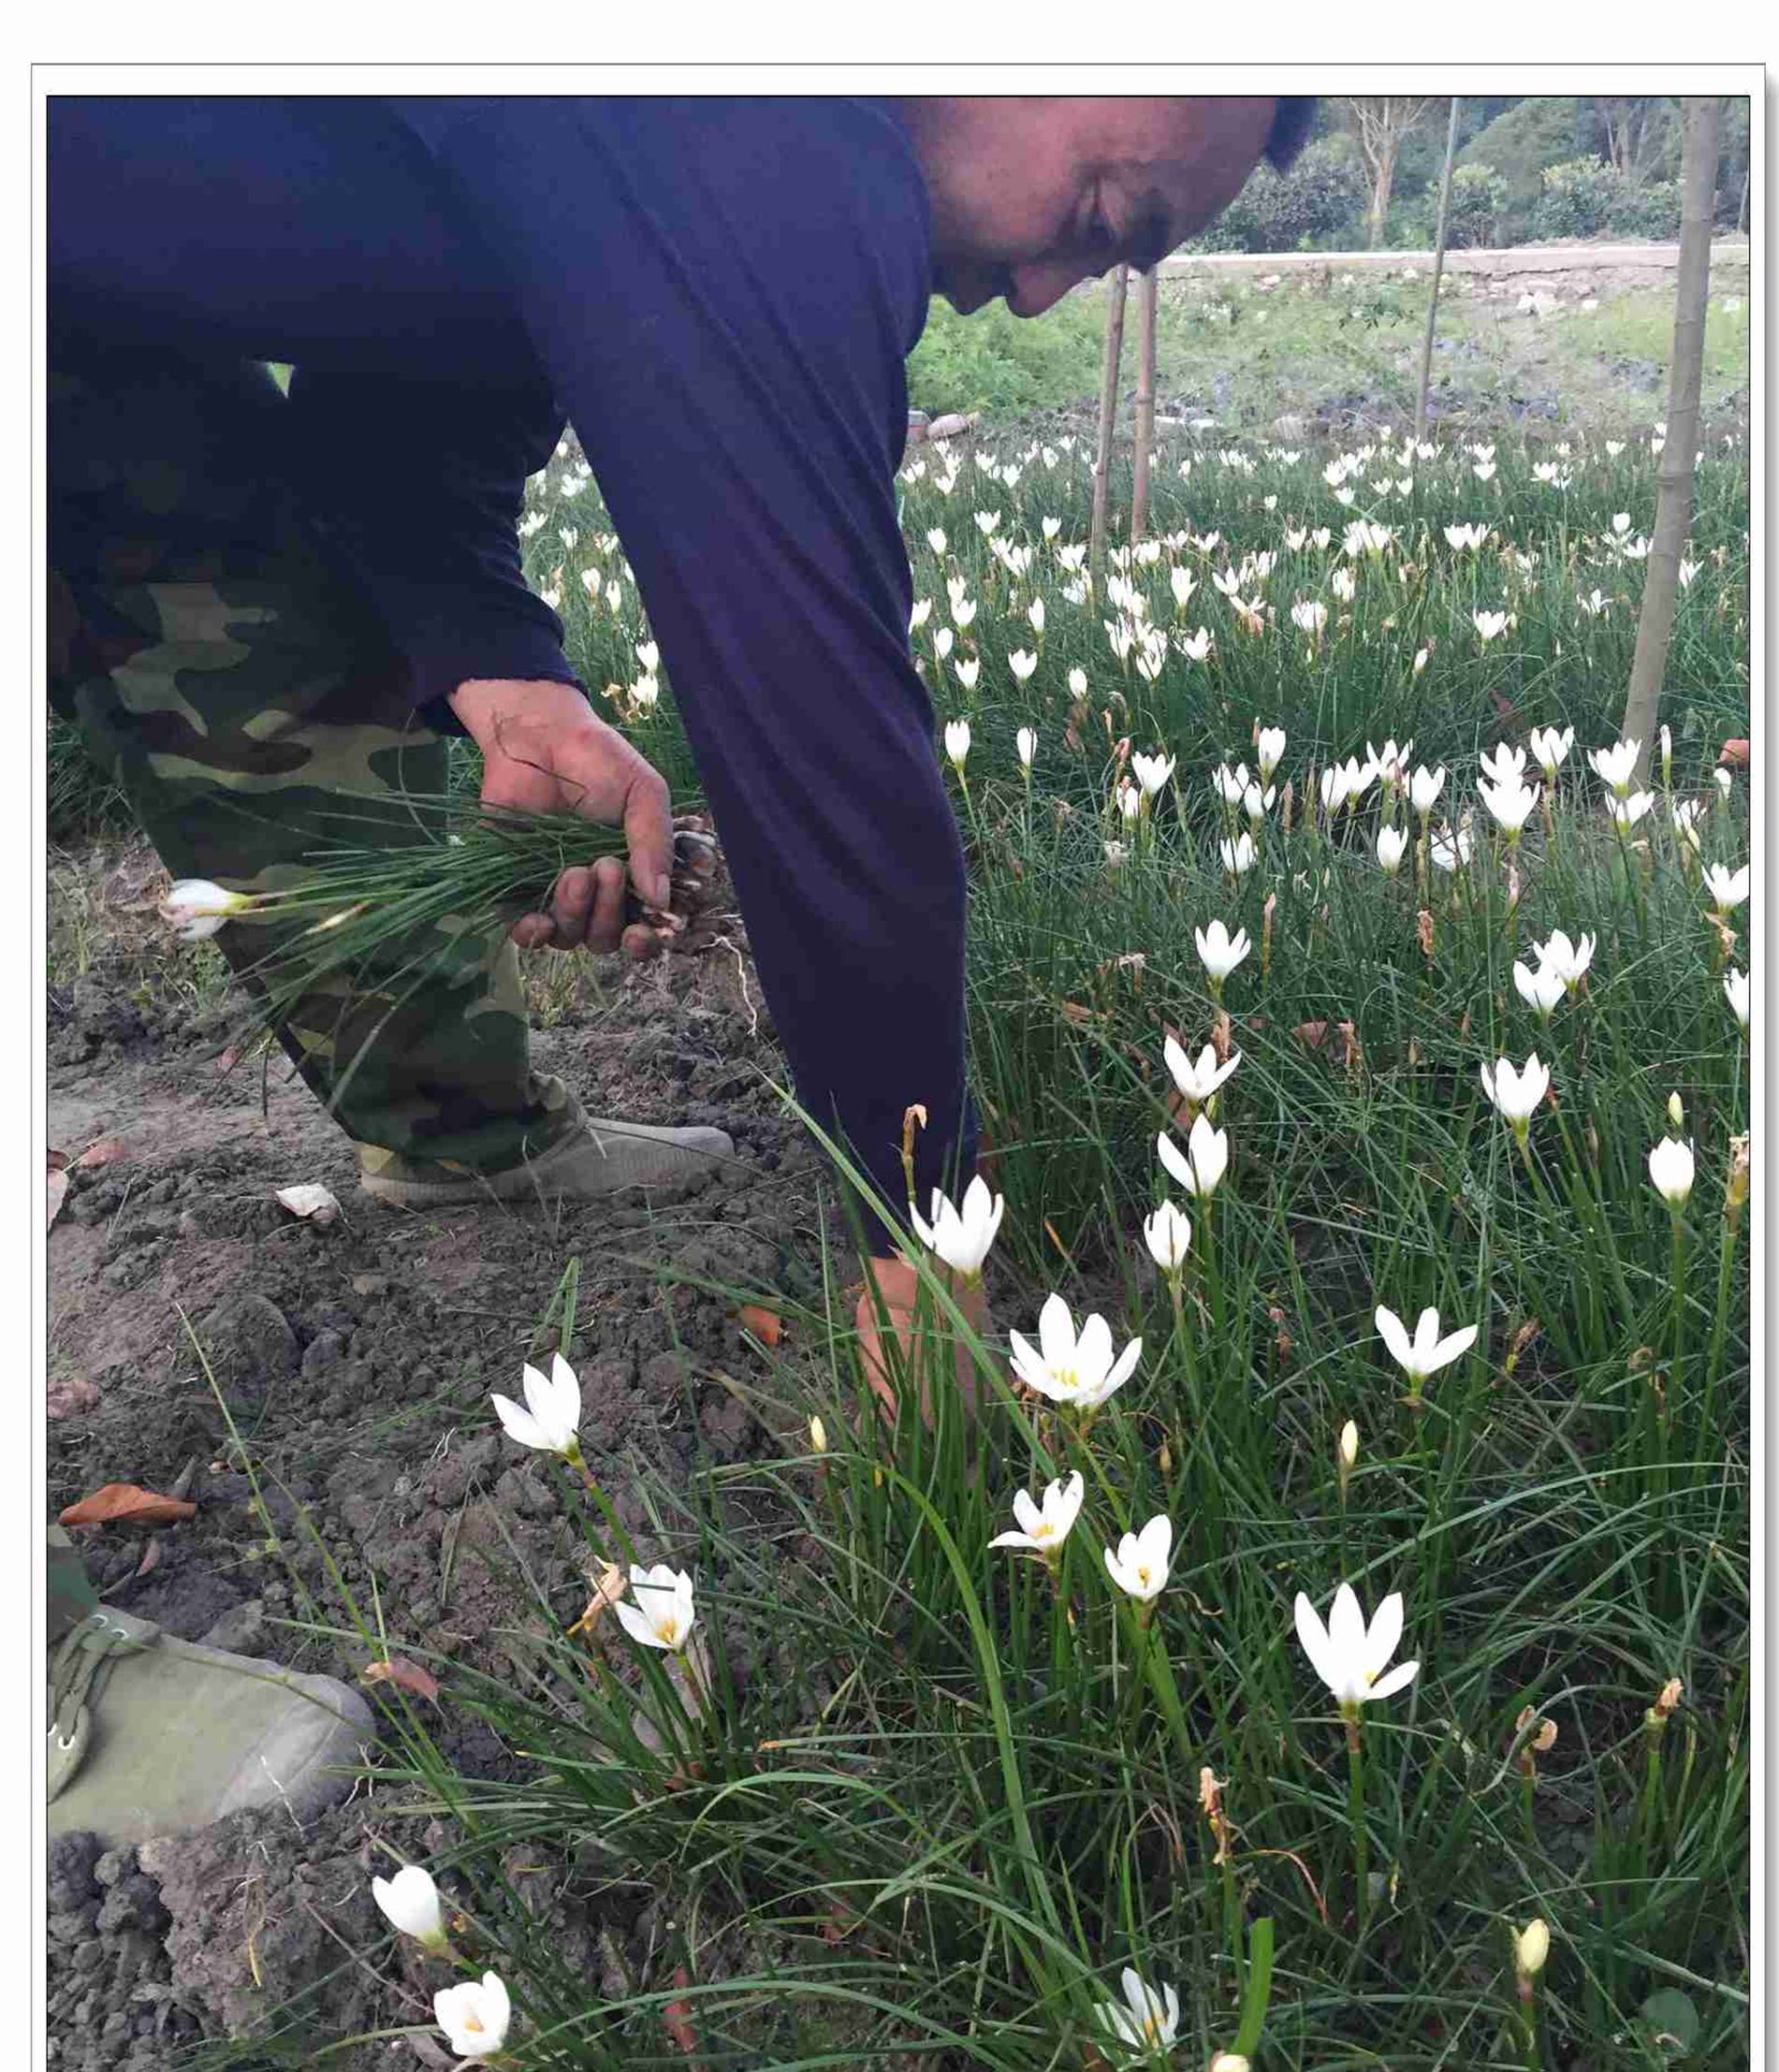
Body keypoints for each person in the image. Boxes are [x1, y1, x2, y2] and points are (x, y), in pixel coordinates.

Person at [49, 93, 1311, 1421]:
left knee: (264, 625)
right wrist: (921, 1237)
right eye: (1100, 216)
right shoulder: (767, 104)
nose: (1045, 295)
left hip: (113, 306)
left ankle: (462, 1143)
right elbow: (813, 722)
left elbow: (395, 427)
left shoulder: (607, 146)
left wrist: (518, 688)